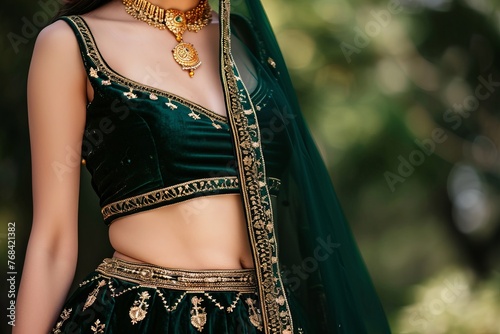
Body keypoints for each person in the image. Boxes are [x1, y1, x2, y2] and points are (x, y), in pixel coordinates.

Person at [14, 0, 391, 333]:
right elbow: (53, 241)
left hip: (269, 318)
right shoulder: (69, 43)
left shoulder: (243, 38)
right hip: (146, 316)